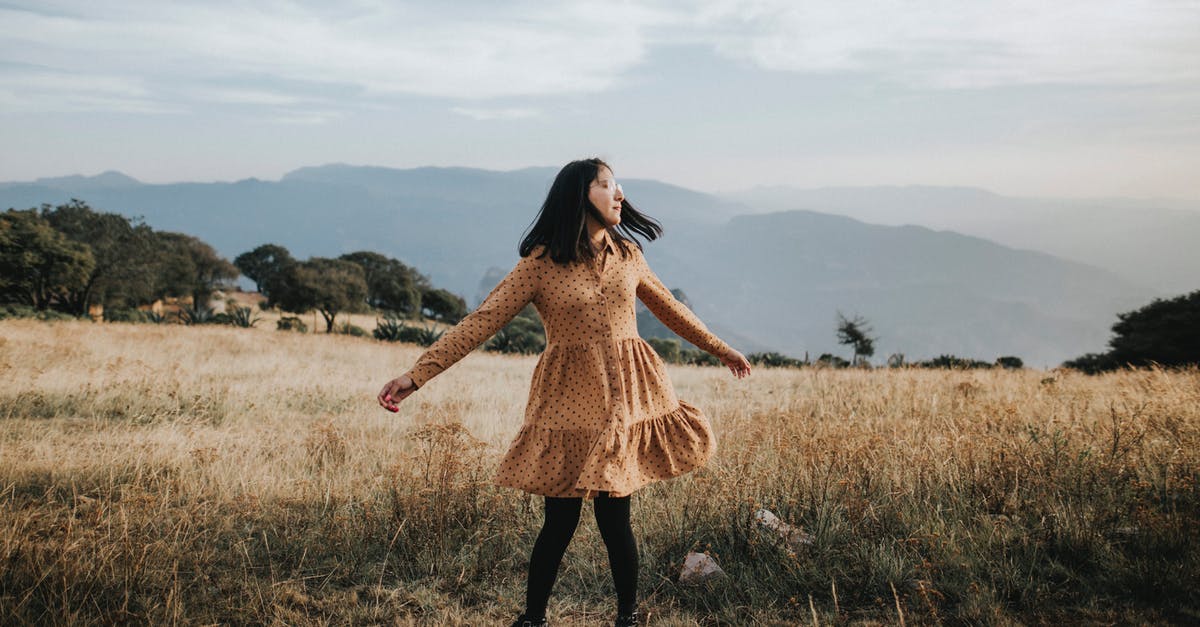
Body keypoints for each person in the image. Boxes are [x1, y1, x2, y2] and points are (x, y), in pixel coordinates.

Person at [377, 158, 751, 627]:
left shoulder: (628, 255)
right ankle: (533, 619)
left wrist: (723, 350)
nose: (619, 195)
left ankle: (626, 618)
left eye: (618, 186)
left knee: (617, 521)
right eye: (607, 185)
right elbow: (482, 322)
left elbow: (671, 309)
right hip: (568, 404)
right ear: (580, 195)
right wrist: (416, 376)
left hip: (626, 400)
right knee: (559, 521)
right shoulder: (539, 264)